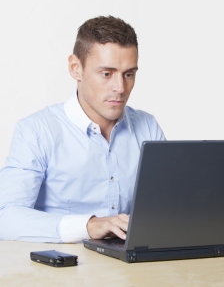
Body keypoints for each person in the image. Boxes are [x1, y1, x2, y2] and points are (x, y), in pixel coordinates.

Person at [0, 16, 165, 243]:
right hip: (63, 271)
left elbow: (166, 209)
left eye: (129, 74)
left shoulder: (147, 127)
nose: (120, 88)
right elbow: (5, 218)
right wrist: (88, 226)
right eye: (106, 74)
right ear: (75, 68)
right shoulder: (36, 131)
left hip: (133, 270)